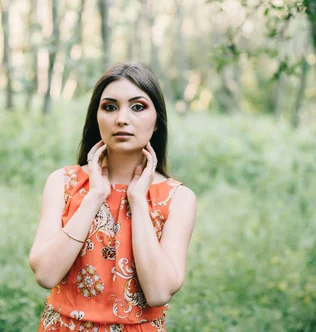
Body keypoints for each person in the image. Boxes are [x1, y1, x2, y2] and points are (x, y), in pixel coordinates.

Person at [29, 63, 197, 332]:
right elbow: (45, 274)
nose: (121, 118)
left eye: (138, 106)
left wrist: (138, 201)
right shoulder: (63, 182)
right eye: (109, 107)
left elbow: (158, 292)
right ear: (96, 117)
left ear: (157, 122)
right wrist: (95, 196)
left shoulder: (178, 198)